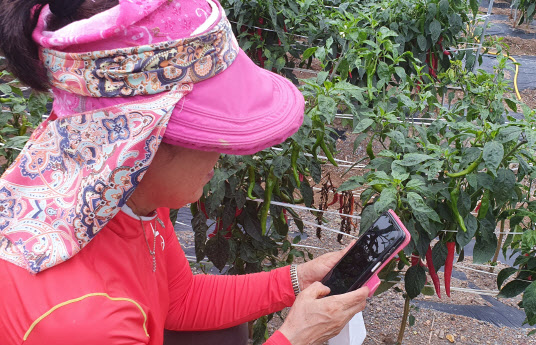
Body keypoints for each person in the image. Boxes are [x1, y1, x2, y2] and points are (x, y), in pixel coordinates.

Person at [0, 0, 370, 344]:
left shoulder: (123, 196)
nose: (222, 154)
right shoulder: (87, 322)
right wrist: (295, 336)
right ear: (140, 139)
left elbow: (179, 299)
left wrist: (298, 279)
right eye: (209, 135)